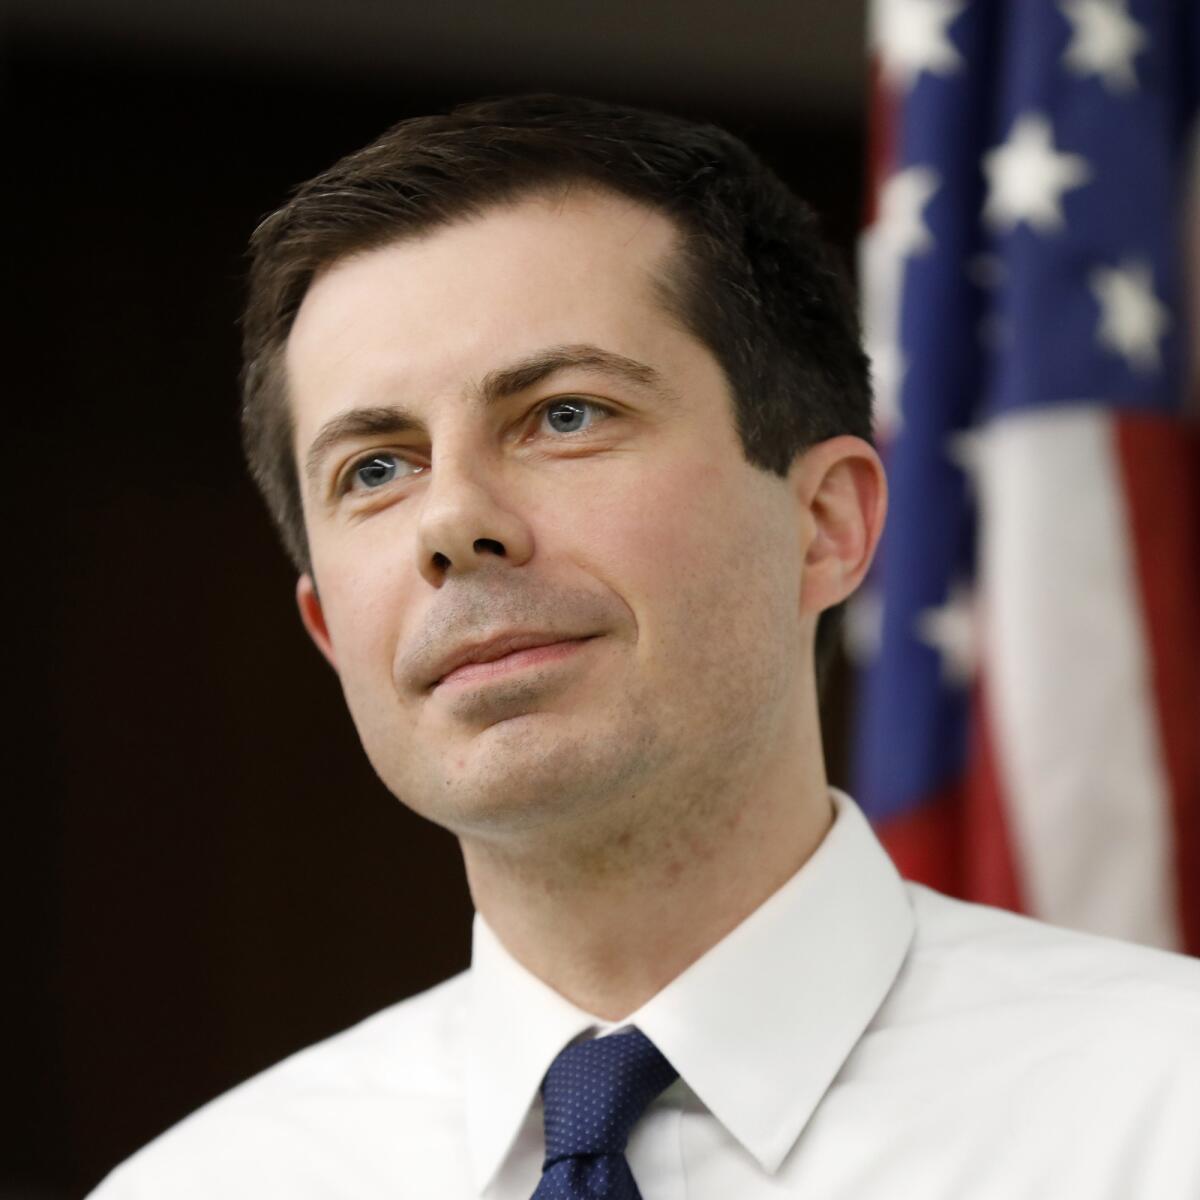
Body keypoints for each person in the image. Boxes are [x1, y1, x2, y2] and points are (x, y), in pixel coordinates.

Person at [91, 94, 1200, 1199]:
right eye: (375, 467)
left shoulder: (1163, 1112)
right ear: (331, 632)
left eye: (565, 414)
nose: (452, 523)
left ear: (827, 526)